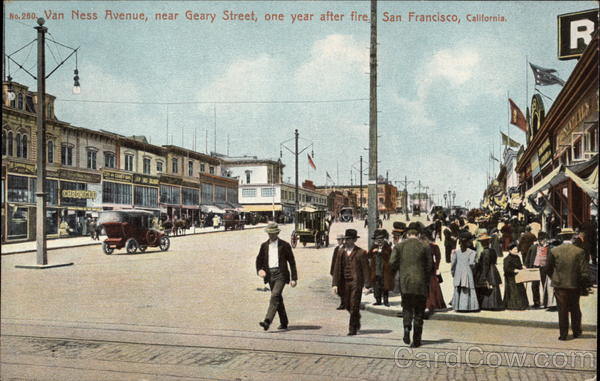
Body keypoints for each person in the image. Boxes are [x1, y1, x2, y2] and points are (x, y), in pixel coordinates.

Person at [389, 227, 432, 347]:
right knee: (419, 311)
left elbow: (392, 263)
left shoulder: (399, 246)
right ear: (418, 235)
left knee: (407, 307)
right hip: (420, 284)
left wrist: (400, 269)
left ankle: (407, 328)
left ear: (407, 235)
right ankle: (416, 340)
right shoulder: (425, 246)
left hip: (405, 283)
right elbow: (430, 266)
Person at [545, 228, 590, 340]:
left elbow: (548, 268)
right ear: (572, 237)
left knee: (562, 310)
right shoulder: (579, 251)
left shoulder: (554, 251)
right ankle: (576, 331)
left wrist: (555, 277)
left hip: (559, 285)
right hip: (575, 284)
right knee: (575, 308)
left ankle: (563, 334)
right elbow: (584, 271)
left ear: (561, 237)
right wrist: (583, 285)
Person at [255, 223, 298, 331]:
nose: (271, 236)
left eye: (273, 233)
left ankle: (267, 321)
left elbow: (292, 262)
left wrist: (294, 278)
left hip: (281, 274)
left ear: (277, 233)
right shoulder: (264, 246)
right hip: (270, 275)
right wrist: (259, 270)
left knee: (274, 295)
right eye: (269, 233)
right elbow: (259, 260)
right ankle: (284, 322)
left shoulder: (284, 245)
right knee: (278, 298)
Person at [331, 229, 370, 336]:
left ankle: (352, 329)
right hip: (344, 283)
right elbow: (337, 269)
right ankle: (356, 317)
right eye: (345, 239)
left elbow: (366, 269)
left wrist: (367, 286)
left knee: (354, 305)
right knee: (347, 304)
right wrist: (334, 284)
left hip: (356, 283)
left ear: (353, 240)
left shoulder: (361, 253)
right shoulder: (341, 252)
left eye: (348, 240)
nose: (346, 242)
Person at [450, 232, 479, 312]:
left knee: (458, 289)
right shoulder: (472, 253)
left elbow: (453, 265)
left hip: (458, 273)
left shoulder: (456, 252)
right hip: (467, 272)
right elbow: (472, 264)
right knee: (467, 290)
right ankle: (467, 307)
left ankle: (457, 306)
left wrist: (453, 273)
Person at [474, 234, 503, 310]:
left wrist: (483, 275)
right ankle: (497, 303)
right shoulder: (493, 250)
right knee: (494, 286)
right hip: (493, 269)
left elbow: (485, 265)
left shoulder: (484, 252)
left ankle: (488, 304)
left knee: (487, 286)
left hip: (488, 270)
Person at [423, 228, 446, 314]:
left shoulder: (433, 246)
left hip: (431, 268)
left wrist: (436, 268)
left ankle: (431, 303)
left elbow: (438, 258)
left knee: (432, 286)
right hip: (426, 267)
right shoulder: (428, 246)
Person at [368, 229, 393, 307]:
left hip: (384, 270)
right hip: (375, 270)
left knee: (385, 286)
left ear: (383, 239)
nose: (379, 241)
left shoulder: (387, 246)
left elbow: (390, 255)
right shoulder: (374, 246)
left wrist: (380, 251)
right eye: (377, 239)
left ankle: (386, 301)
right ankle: (378, 300)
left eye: (380, 239)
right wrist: (373, 250)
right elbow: (368, 255)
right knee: (376, 286)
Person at [524, 231, 549, 308]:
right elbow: (528, 257)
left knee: (545, 285)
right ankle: (536, 302)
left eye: (544, 239)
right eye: (541, 239)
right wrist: (526, 266)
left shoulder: (548, 247)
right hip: (535, 267)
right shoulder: (533, 247)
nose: (543, 241)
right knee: (534, 285)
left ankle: (546, 302)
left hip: (544, 268)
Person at [503, 244, 529, 310]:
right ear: (510, 250)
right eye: (514, 249)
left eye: (516, 249)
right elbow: (506, 269)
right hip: (510, 277)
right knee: (513, 291)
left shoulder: (517, 257)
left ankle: (522, 304)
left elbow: (519, 265)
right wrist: (513, 270)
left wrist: (522, 267)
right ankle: (513, 305)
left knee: (520, 290)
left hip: (518, 276)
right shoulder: (507, 259)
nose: (516, 250)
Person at [330, 234, 346, 310]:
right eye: (338, 240)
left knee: (343, 288)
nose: (338, 241)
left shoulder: (345, 248)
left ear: (343, 240)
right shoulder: (336, 249)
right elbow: (334, 260)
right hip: (337, 270)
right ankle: (343, 302)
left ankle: (343, 303)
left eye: (340, 240)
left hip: (343, 271)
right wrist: (332, 271)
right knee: (338, 288)